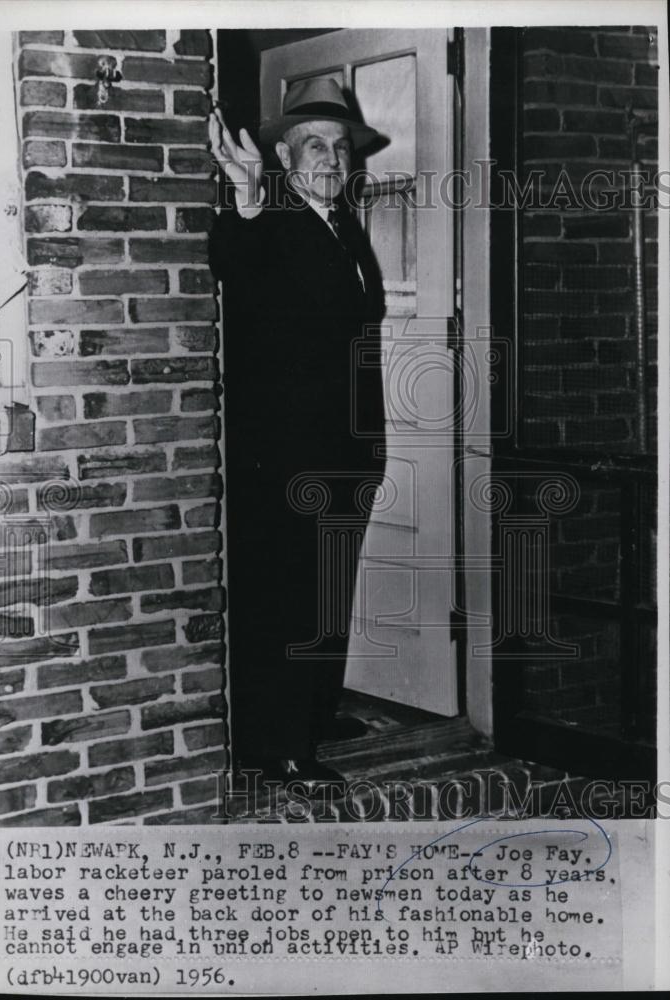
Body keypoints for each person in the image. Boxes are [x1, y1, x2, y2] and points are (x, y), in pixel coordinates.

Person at [208, 78, 387, 788]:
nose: (331, 157)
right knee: (282, 591)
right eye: (314, 143)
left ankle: (312, 711)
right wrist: (248, 197)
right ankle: (273, 740)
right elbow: (234, 262)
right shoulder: (271, 219)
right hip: (281, 451)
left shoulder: (340, 225)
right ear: (282, 154)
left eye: (341, 147)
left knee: (326, 586)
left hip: (344, 446)